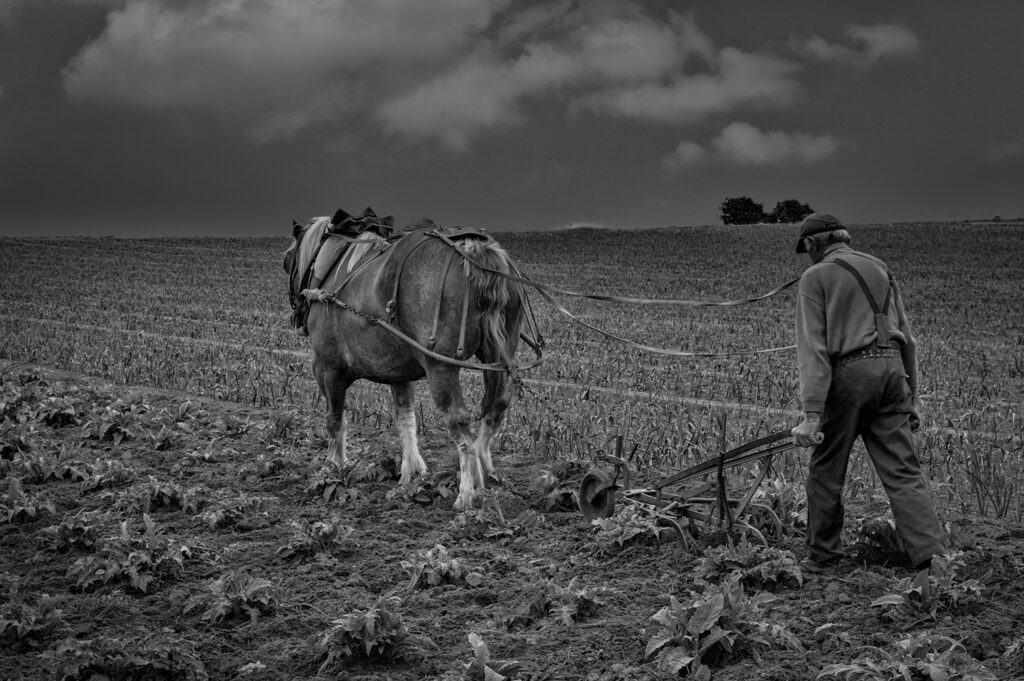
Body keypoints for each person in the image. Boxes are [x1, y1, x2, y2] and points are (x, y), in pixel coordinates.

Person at [789, 213, 946, 578]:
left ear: (813, 244)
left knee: (826, 468)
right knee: (904, 472)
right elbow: (907, 333)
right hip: (893, 372)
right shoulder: (878, 267)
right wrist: (913, 396)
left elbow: (812, 348)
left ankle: (823, 557)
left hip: (851, 376)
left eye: (806, 250)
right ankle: (933, 560)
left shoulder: (815, 277)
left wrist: (812, 414)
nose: (806, 258)